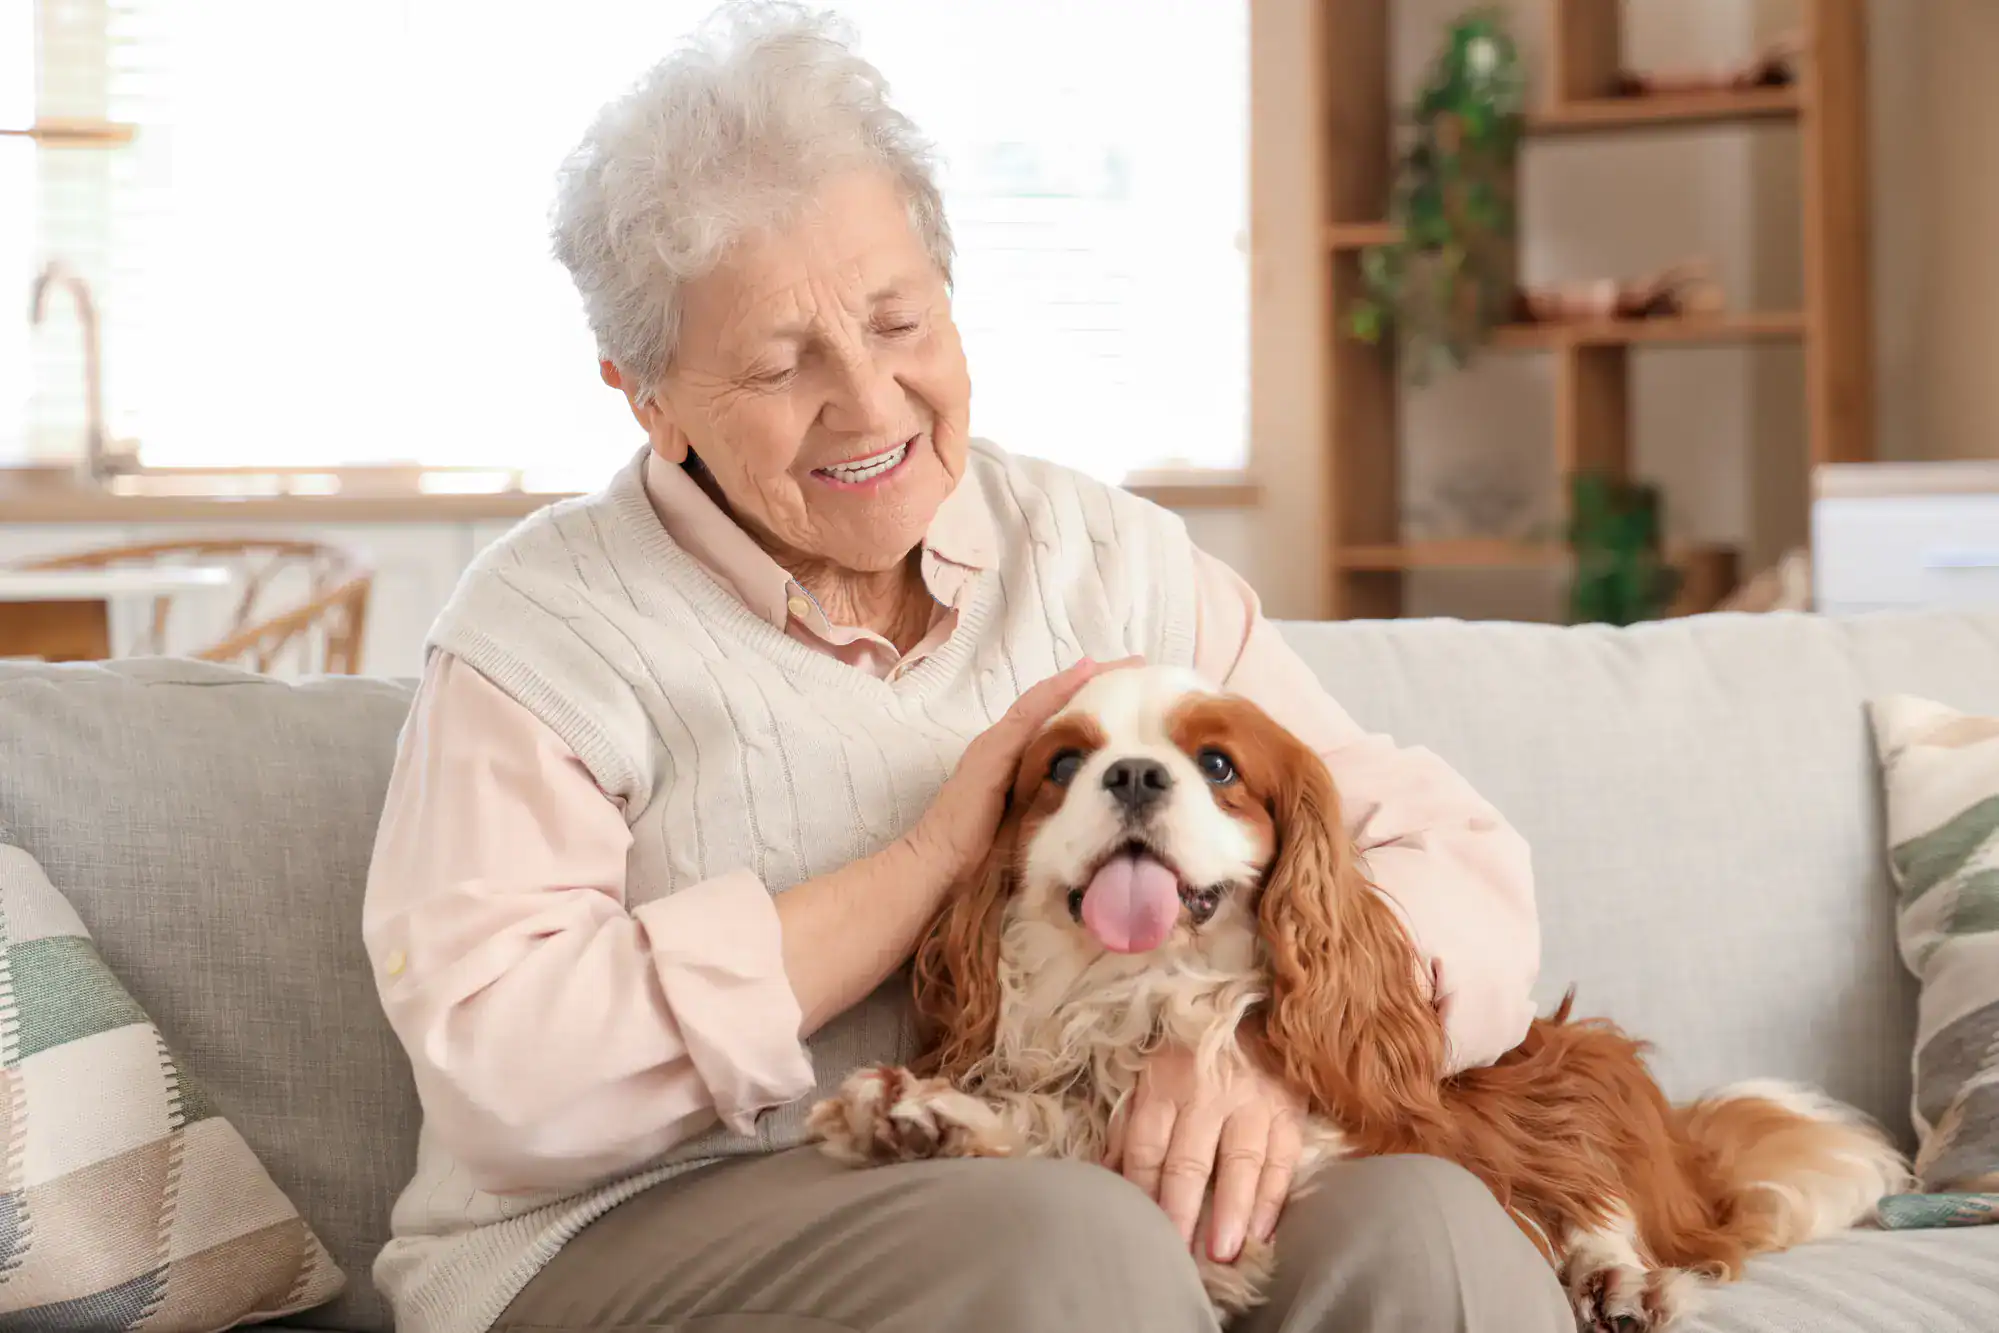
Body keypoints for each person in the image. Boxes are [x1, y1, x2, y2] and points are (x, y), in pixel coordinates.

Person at [362, 5, 1568, 1330]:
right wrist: (926, 861)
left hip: (1069, 1165)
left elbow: (1457, 871)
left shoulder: (1110, 557)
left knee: (1427, 1220)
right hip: (642, 1225)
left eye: (899, 324)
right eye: (780, 364)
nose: (871, 406)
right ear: (643, 392)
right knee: (1066, 1238)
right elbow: (509, 1075)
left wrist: (1265, 1052)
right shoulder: (544, 626)